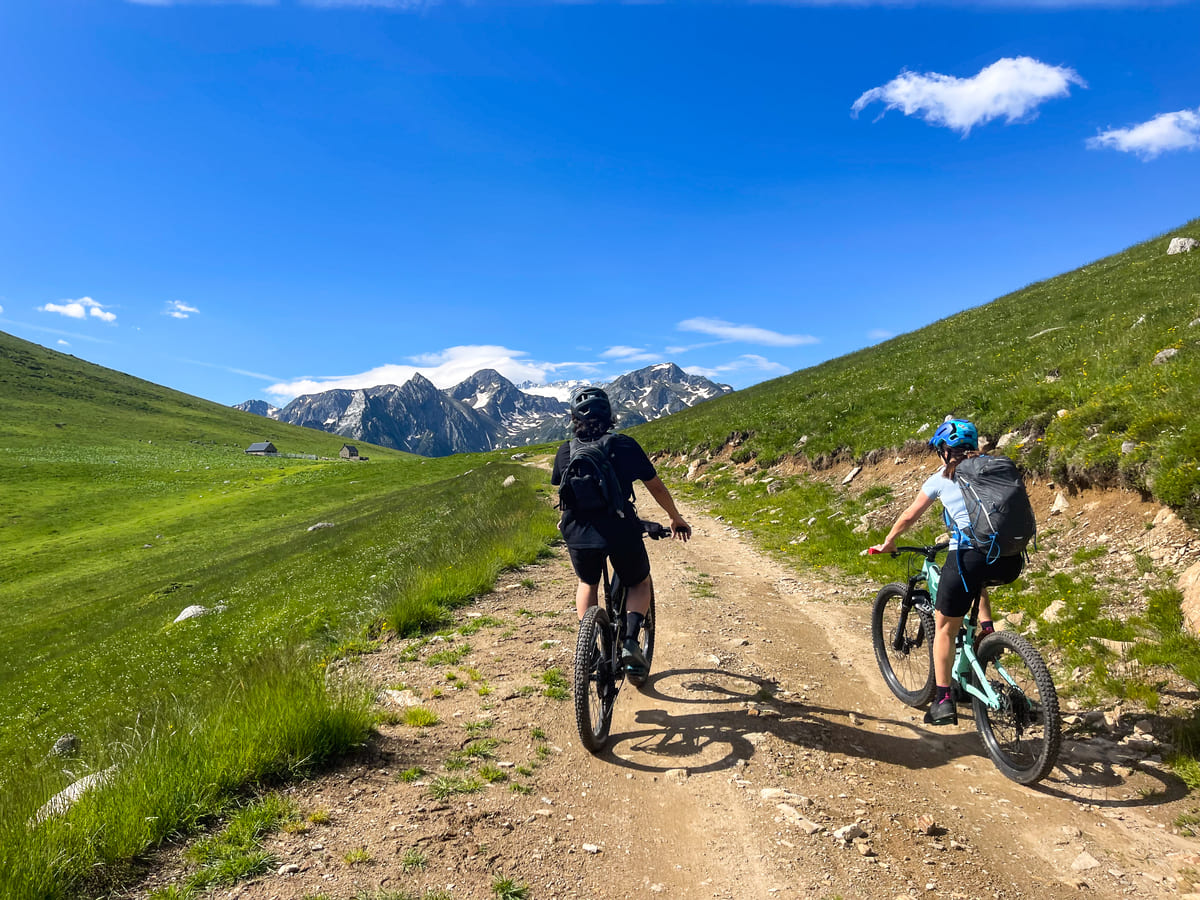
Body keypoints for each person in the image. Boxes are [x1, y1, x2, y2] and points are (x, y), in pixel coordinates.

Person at [869, 418, 1024, 726]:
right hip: (1010, 559)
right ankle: (988, 633)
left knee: (944, 628)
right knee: (977, 584)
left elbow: (910, 515)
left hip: (969, 557)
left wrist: (888, 542)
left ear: (943, 450)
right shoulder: (996, 467)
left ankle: (942, 700)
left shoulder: (941, 477)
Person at [551, 387, 691, 678]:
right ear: (610, 415)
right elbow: (655, 486)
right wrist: (674, 517)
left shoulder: (565, 450)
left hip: (578, 531)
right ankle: (629, 641)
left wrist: (564, 521)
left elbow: (566, 494)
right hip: (619, 527)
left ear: (574, 419)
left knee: (587, 582)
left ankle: (588, 647)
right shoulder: (623, 445)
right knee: (639, 581)